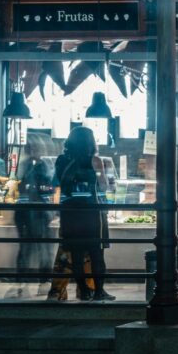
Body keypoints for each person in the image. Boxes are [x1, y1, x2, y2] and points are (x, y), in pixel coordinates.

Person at [53, 127, 114, 301]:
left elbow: (58, 183)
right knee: (97, 254)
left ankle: (84, 291)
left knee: (77, 255)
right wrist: (109, 182)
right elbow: (103, 187)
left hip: (70, 213)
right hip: (92, 212)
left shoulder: (61, 160)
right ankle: (99, 291)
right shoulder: (94, 160)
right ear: (90, 142)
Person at [14, 140, 55, 296]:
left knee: (27, 248)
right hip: (36, 211)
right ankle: (43, 281)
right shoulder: (40, 165)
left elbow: (23, 186)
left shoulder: (25, 164)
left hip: (25, 211)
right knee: (41, 248)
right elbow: (47, 188)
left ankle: (23, 281)